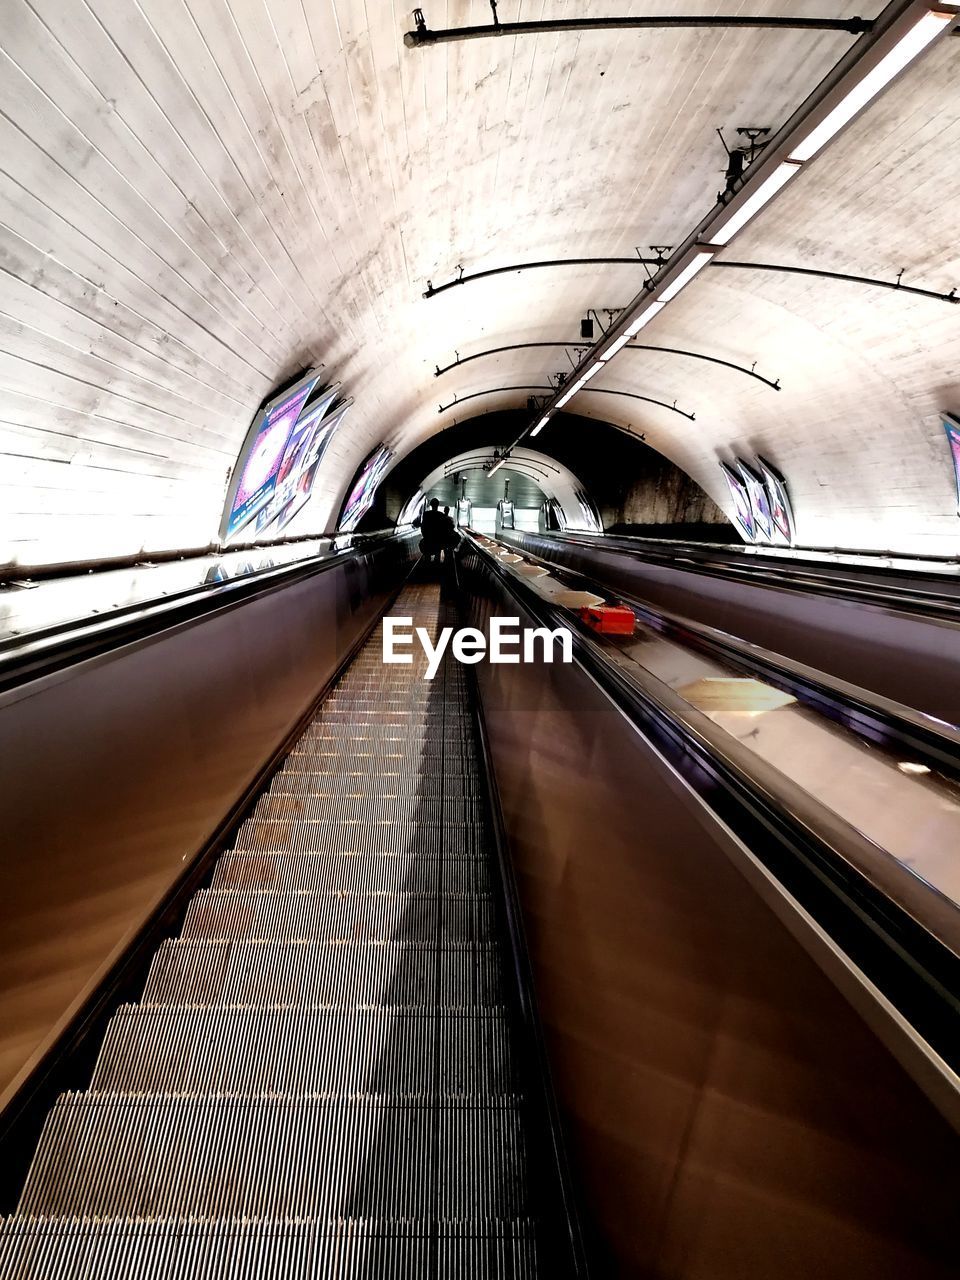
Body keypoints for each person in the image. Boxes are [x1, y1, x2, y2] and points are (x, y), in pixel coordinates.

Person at [419, 498, 448, 563]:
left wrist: (425, 536)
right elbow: (444, 528)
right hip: (438, 540)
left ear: (431, 505)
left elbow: (423, 526)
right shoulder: (441, 515)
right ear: (438, 505)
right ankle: (436, 568)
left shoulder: (426, 514)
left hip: (428, 539)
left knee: (427, 556)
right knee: (437, 556)